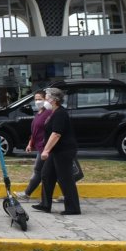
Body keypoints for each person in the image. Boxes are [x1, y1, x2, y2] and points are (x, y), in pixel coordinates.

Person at [32, 87, 81, 215]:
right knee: (46, 175)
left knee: (65, 179)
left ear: (54, 100)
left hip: (63, 151)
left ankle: (73, 208)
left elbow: (56, 134)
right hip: (56, 151)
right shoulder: (54, 112)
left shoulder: (60, 113)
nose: (45, 100)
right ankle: (45, 204)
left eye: (47, 97)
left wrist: (45, 151)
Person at [16, 90, 51, 200]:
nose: (37, 101)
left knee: (38, 171)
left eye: (40, 99)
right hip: (40, 147)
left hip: (45, 147)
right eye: (35, 99)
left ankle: (27, 194)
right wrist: (30, 144)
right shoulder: (39, 113)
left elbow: (51, 131)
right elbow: (35, 131)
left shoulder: (49, 113)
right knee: (49, 172)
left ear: (46, 99)